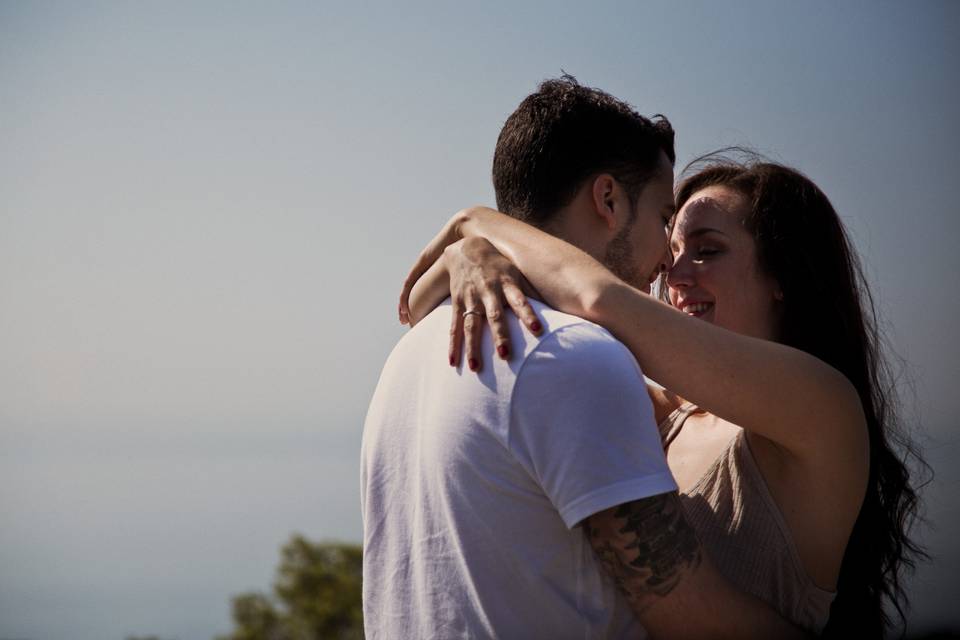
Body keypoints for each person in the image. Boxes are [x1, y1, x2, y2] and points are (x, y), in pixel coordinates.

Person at [401, 153, 927, 637]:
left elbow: (595, 297)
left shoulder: (824, 407)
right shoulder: (664, 414)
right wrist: (466, 258)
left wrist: (474, 222)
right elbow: (416, 313)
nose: (671, 275)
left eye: (706, 252)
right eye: (673, 248)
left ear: (782, 277)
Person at [363, 77, 806, 638]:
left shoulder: (412, 351)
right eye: (662, 219)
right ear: (608, 199)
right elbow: (688, 612)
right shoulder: (576, 356)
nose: (665, 264)